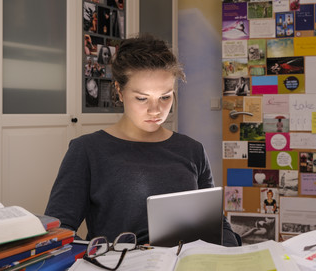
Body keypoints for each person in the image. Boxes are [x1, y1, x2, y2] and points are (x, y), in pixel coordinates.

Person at [45, 34, 240, 247]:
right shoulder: (87, 150)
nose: (155, 110)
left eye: (165, 97)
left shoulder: (192, 150)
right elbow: (60, 231)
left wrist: (232, 255)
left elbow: (215, 224)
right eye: (142, 98)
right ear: (119, 91)